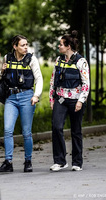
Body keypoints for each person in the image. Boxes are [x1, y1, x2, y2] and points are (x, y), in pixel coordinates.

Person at [0, 35, 43, 173]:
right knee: (7, 130)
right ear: (15, 46)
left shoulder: (31, 59)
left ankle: (28, 161)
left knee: (26, 132)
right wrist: (2, 70)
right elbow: (2, 76)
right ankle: (8, 162)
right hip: (11, 97)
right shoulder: (7, 58)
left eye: (26, 45)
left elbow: (39, 79)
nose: (26, 47)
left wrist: (36, 95)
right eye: (22, 45)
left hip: (27, 97)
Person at [49, 30, 90, 172]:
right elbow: (53, 80)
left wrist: (81, 101)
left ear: (68, 46)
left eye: (60, 44)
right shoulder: (59, 60)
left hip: (75, 101)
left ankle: (77, 162)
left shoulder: (81, 61)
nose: (58, 47)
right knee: (56, 127)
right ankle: (60, 161)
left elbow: (86, 83)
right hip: (60, 99)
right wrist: (51, 98)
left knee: (76, 131)